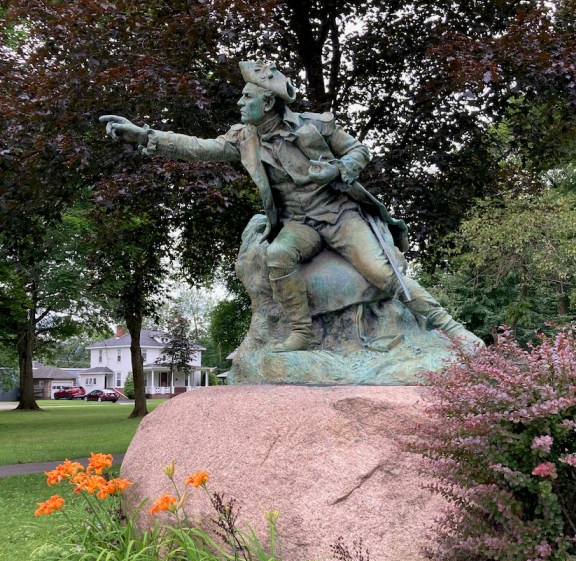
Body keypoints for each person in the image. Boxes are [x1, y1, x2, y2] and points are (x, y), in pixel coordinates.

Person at [101, 60, 481, 353]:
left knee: (383, 274)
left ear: (267, 102)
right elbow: (198, 147)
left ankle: (451, 328)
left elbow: (359, 150)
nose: (239, 102)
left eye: (246, 97)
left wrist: (338, 168)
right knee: (278, 255)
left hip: (340, 215)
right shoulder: (244, 138)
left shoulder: (314, 126)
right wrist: (144, 134)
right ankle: (301, 332)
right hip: (300, 223)